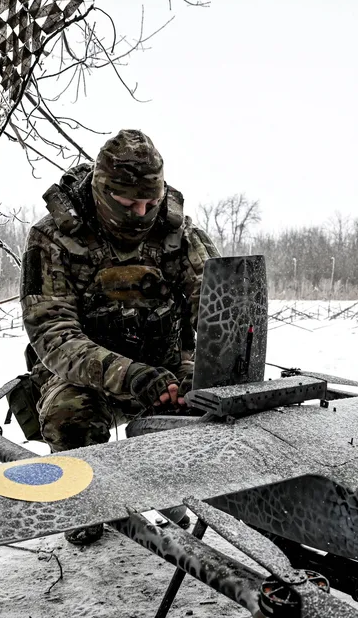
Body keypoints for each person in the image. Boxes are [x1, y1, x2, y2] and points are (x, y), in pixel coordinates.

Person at [20, 129, 219, 542]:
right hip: (80, 376)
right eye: (129, 204)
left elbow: (219, 312)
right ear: (101, 190)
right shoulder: (53, 238)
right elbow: (53, 335)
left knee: (209, 406)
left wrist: (201, 374)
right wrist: (129, 375)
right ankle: (84, 506)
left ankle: (174, 494)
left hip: (166, 366)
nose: (141, 214)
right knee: (69, 416)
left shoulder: (181, 236)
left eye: (151, 203)